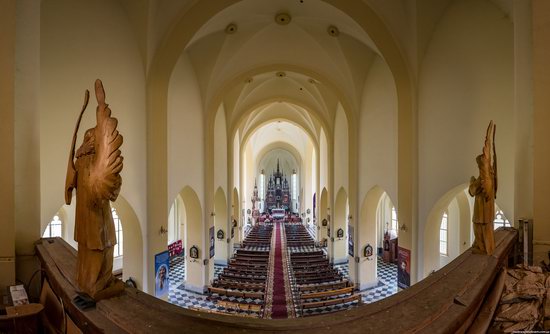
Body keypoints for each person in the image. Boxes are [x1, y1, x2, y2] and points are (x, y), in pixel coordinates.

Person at [65, 79, 124, 300]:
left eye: (92, 138)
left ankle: (93, 282)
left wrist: (101, 105)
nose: (90, 140)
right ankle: (93, 283)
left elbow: (110, 182)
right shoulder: (83, 163)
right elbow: (72, 179)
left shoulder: (92, 163)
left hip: (96, 215)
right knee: (98, 247)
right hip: (91, 217)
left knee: (101, 246)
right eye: (87, 138)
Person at [469, 121, 497, 255]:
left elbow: (473, 191)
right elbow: (472, 191)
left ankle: (484, 247)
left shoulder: (485, 179)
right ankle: (483, 246)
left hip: (483, 212)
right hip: (482, 212)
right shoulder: (485, 178)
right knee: (480, 229)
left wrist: (475, 182)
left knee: (482, 229)